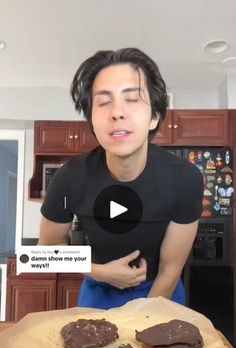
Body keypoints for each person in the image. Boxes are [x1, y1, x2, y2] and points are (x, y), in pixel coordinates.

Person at [38, 47, 203, 309]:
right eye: (103, 102)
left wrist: (142, 319)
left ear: (154, 117)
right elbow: (46, 250)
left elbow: (171, 269)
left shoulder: (185, 179)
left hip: (161, 289)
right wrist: (98, 272)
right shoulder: (70, 177)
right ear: (92, 120)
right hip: (97, 286)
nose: (117, 112)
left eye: (132, 99)